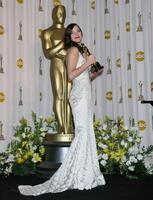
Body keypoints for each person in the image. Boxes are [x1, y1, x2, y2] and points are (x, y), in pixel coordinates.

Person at [18, 23, 105, 196]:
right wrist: (88, 63)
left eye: (79, 30)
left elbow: (82, 76)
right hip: (79, 97)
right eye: (73, 32)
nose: (77, 33)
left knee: (87, 132)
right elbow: (71, 75)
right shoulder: (72, 51)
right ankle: (74, 174)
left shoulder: (81, 50)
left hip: (85, 95)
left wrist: (94, 72)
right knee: (81, 132)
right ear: (69, 36)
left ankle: (85, 173)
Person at [41, 5, 72, 135]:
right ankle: (61, 127)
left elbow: (73, 51)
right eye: (59, 13)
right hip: (56, 65)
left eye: (63, 13)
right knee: (59, 96)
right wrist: (62, 44)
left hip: (70, 66)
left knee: (69, 98)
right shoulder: (47, 32)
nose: (61, 16)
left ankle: (69, 127)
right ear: (53, 15)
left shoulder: (70, 32)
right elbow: (48, 54)